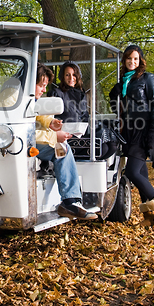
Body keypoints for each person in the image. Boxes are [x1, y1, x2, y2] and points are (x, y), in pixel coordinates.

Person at [109, 44, 154, 229]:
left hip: (143, 130)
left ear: (140, 61)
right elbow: (116, 102)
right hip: (128, 131)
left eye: (135, 58)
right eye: (129, 58)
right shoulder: (122, 83)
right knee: (141, 172)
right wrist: (119, 111)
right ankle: (148, 215)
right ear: (125, 60)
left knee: (132, 172)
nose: (132, 61)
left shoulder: (147, 78)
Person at [35, 63, 97, 221]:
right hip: (32, 141)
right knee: (62, 148)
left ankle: (72, 201)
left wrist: (50, 122)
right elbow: (27, 129)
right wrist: (55, 134)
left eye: (74, 75)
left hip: (69, 133)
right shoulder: (51, 93)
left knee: (63, 148)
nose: (43, 90)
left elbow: (38, 114)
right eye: (41, 86)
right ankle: (71, 201)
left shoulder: (81, 94)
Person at [49, 61, 117, 160]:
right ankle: (79, 163)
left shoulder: (81, 94)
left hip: (81, 133)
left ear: (78, 76)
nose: (71, 78)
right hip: (68, 136)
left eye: (74, 75)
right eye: (67, 75)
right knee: (104, 148)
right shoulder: (57, 93)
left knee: (112, 145)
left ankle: (85, 164)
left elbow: (85, 117)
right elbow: (51, 118)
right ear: (62, 77)